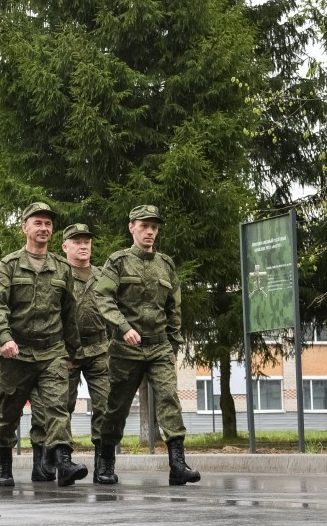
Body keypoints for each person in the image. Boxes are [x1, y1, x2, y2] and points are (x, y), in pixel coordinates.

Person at [93, 204, 200, 486]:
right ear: (132, 227)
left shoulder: (166, 264)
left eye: (154, 227)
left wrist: (174, 344)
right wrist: (123, 326)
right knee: (116, 406)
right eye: (144, 226)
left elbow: (173, 307)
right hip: (125, 349)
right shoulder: (117, 261)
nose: (150, 231)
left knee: (169, 400)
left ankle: (177, 463)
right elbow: (102, 298)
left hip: (160, 347)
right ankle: (105, 462)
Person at [0, 201, 87, 487]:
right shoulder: (9, 265)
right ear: (24, 227)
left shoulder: (61, 267)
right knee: (8, 412)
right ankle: (3, 462)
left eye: (48, 224)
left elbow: (69, 312)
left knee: (57, 406)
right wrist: (4, 338)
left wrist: (73, 352)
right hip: (16, 353)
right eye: (38, 222)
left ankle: (64, 463)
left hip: (52, 351)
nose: (44, 228)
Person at [61, 223, 111, 482]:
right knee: (62, 406)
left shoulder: (103, 275)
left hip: (99, 348)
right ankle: (63, 462)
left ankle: (104, 464)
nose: (83, 245)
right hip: (65, 349)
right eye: (76, 240)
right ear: (65, 246)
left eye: (87, 241)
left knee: (105, 404)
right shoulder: (57, 274)